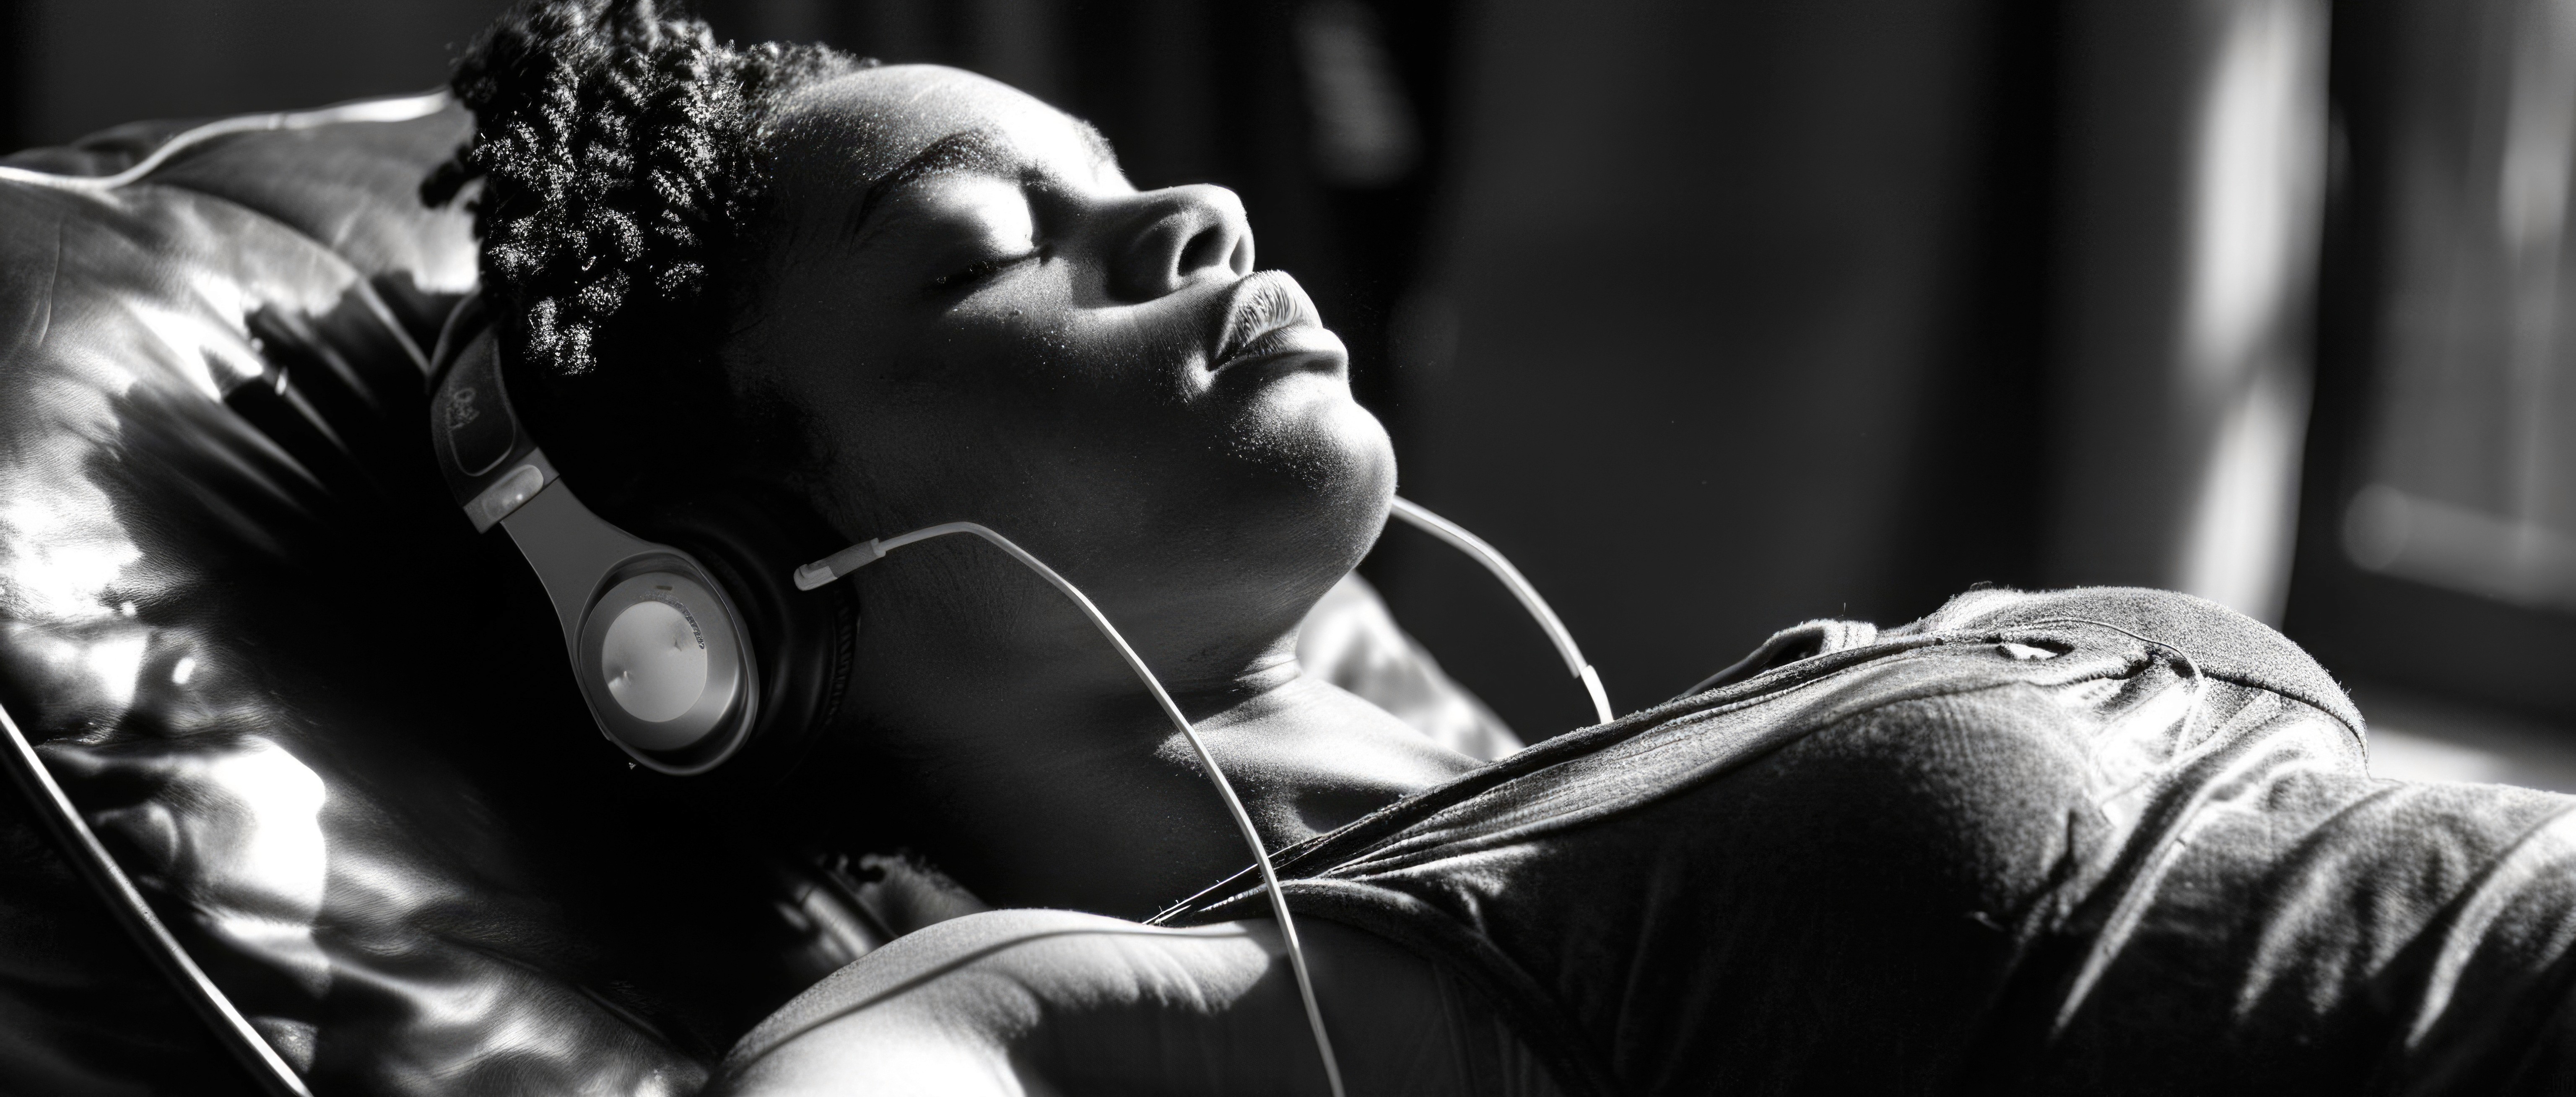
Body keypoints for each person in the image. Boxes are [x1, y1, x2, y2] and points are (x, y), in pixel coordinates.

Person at [431, 4, 2576, 1094]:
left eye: (1115, 178)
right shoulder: (1288, 1002)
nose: (1197, 222)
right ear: (717, 631)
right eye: (998, 253)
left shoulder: (1595, 782)